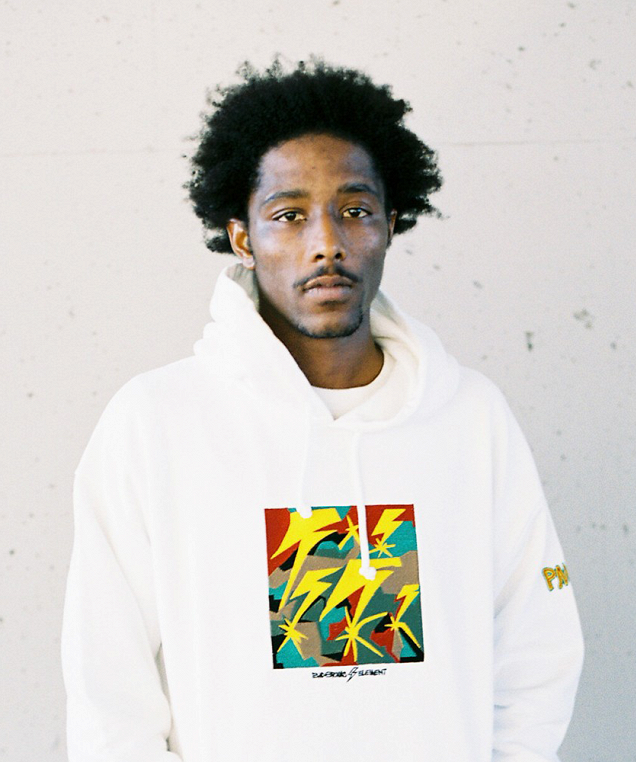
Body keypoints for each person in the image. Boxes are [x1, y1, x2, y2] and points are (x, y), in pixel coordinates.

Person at [62, 59, 584, 762]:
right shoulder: (157, 423)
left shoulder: (470, 418)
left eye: (355, 211)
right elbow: (106, 687)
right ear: (242, 238)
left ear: (390, 225)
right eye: (289, 216)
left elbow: (538, 648)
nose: (326, 242)